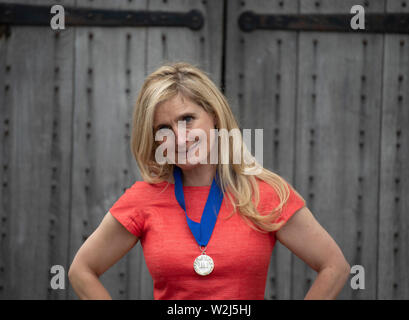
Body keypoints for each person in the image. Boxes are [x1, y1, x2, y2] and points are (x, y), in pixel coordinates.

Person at [68, 62, 350, 300]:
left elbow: (334, 266)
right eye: (164, 128)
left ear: (214, 116)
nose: (179, 138)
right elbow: (81, 270)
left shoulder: (264, 194)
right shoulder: (143, 199)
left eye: (187, 119)